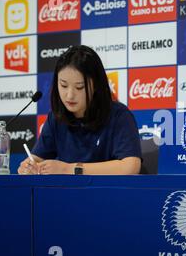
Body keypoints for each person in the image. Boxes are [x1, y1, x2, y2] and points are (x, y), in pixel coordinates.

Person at [18, 45, 141, 175]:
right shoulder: (56, 117)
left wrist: (69, 169)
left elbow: (131, 166)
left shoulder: (119, 116)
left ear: (96, 85)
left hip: (108, 193)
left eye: (79, 87)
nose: (69, 95)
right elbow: (37, 158)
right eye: (63, 85)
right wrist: (29, 166)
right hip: (66, 194)